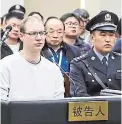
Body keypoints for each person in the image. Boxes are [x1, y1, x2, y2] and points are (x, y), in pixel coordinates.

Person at [0, 16, 64, 101]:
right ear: (21, 36)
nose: (39, 38)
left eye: (42, 33)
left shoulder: (54, 70)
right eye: (33, 33)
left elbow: (58, 106)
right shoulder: (5, 65)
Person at [70, 11, 121, 97]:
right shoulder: (79, 64)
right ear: (92, 38)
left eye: (111, 35)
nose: (108, 39)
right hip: (94, 109)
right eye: (103, 35)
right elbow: (79, 96)